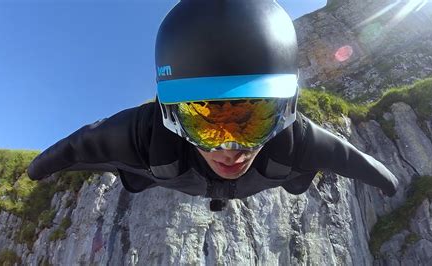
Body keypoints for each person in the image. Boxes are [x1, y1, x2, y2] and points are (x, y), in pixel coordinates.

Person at [28, 0, 398, 211]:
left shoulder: (297, 140)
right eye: (206, 122)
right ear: (170, 116)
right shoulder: (142, 135)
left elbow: (78, 146)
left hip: (183, 175)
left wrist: (40, 168)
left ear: (286, 111)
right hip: (209, 175)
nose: (230, 149)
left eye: (251, 120)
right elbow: (81, 145)